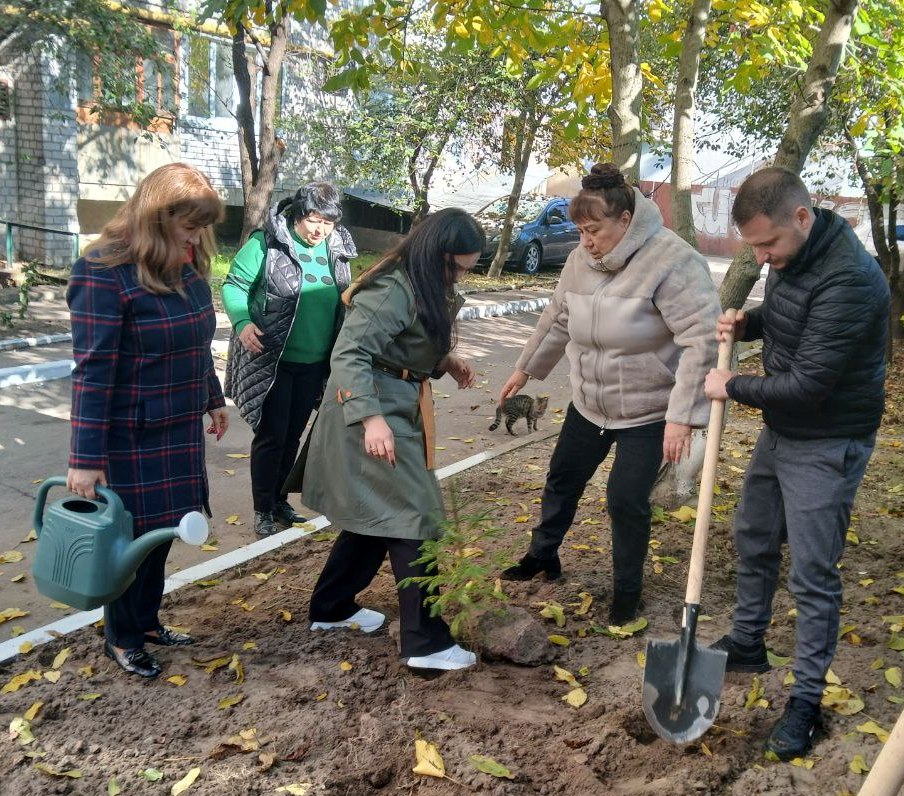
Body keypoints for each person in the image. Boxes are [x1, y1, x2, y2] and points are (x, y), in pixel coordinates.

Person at [704, 166, 890, 760]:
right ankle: (750, 642)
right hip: (784, 430)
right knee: (754, 536)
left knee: (812, 574)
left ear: (803, 218)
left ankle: (806, 701)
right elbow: (793, 327)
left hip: (828, 440)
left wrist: (731, 384)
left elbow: (809, 382)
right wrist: (749, 321)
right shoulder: (792, 257)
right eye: (753, 246)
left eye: (767, 244)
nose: (761, 258)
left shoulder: (851, 280)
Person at [498, 162, 721, 625]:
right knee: (562, 479)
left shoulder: (673, 262)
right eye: (579, 230)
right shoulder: (582, 259)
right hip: (590, 403)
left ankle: (626, 594)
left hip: (650, 409)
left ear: (626, 220)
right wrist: (524, 371)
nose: (585, 241)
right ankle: (543, 556)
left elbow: (702, 342)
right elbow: (559, 317)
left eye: (593, 229)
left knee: (624, 498)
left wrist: (683, 416)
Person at [295, 207, 484, 672]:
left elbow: (403, 342)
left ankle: (332, 607)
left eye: (466, 268)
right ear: (435, 253)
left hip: (395, 402)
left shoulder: (422, 281)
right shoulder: (392, 286)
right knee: (413, 517)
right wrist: (370, 419)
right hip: (372, 410)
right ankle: (425, 644)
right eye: (457, 267)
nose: (459, 276)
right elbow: (351, 353)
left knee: (377, 513)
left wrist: (444, 360)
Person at [67, 163, 229, 678]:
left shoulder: (186, 263)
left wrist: (213, 397)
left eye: (202, 224)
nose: (197, 234)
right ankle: (123, 636)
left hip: (177, 427)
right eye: (189, 223)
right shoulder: (102, 270)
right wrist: (85, 459)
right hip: (130, 435)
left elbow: (197, 342)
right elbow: (92, 372)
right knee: (131, 542)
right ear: (158, 215)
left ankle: (149, 621)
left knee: (163, 534)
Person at [223, 183, 356, 537]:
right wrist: (242, 321)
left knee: (294, 434)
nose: (319, 230)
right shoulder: (267, 242)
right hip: (272, 359)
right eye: (313, 220)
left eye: (327, 223)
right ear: (298, 213)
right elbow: (234, 285)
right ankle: (262, 509)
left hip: (314, 364)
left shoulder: (337, 248)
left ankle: (280, 500)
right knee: (271, 436)